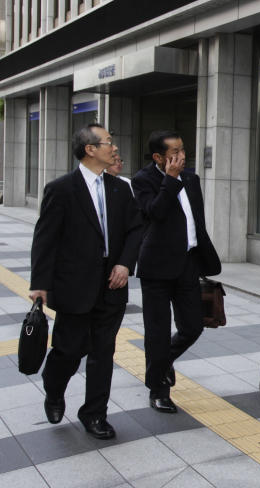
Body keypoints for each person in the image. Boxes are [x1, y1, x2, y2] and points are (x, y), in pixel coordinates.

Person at [29, 124, 143, 440]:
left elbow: (136, 229)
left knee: (103, 352)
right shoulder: (61, 189)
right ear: (90, 149)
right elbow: (45, 238)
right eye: (108, 142)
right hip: (73, 285)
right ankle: (54, 390)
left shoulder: (121, 188)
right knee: (68, 350)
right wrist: (39, 283)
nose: (113, 147)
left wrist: (124, 263)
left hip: (112, 284)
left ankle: (94, 414)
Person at [132, 130, 221, 414]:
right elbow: (155, 213)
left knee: (193, 326)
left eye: (183, 151)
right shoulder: (142, 180)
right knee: (157, 332)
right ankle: (158, 389)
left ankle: (162, 362)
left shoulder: (193, 179)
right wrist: (169, 180)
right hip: (156, 267)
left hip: (188, 263)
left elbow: (197, 221)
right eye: (174, 153)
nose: (182, 157)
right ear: (159, 157)